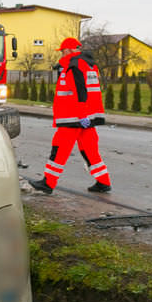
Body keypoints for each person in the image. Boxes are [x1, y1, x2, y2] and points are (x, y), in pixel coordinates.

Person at [29, 37, 112, 194]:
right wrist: (86, 116)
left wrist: (81, 115)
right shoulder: (90, 65)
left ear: (68, 50)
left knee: (60, 148)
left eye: (62, 51)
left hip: (74, 118)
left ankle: (48, 183)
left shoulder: (74, 65)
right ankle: (103, 181)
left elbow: (80, 91)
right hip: (88, 117)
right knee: (89, 149)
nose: (61, 54)